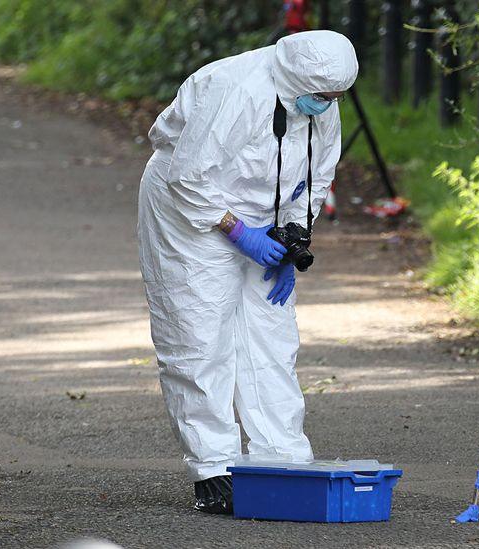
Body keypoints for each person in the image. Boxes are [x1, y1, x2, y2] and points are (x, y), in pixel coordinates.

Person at [136, 30, 358, 514]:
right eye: (325, 97)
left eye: (337, 97)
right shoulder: (235, 90)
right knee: (199, 333)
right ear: (300, 80)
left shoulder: (319, 94)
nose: (331, 105)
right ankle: (213, 466)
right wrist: (240, 233)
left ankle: (281, 457)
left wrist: (292, 240)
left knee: (272, 338)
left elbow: (316, 175)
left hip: (263, 214)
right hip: (187, 211)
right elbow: (188, 178)